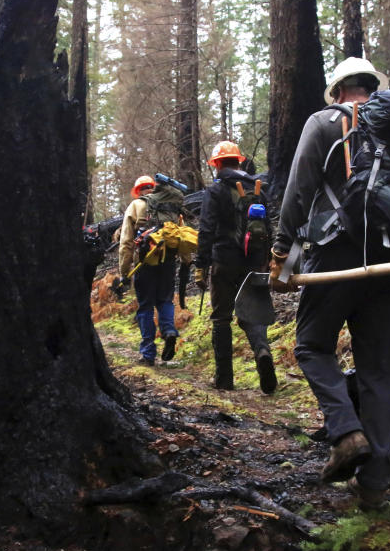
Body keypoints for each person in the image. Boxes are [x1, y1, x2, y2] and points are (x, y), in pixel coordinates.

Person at [269, 57, 390, 507]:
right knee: (380, 370)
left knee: (311, 345)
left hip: (338, 252)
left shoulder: (325, 121)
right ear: (373, 87)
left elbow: (298, 190)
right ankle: (375, 484)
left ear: (338, 90)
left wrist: (281, 252)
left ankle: (346, 433)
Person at [195, 141, 278, 393]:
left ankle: (224, 380)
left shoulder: (216, 190)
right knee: (252, 314)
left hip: (224, 261)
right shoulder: (258, 189)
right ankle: (262, 351)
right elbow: (269, 228)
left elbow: (206, 229)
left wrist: (201, 265)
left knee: (221, 317)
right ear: (239, 161)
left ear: (217, 164)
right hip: (254, 263)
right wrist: (267, 259)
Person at [118, 175, 181, 365]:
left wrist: (124, 271)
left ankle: (147, 354)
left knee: (145, 306)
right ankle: (169, 330)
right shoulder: (170, 206)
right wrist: (186, 260)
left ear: (138, 191)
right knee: (165, 301)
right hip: (168, 261)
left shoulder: (136, 206)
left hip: (144, 264)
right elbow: (180, 234)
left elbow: (126, 242)